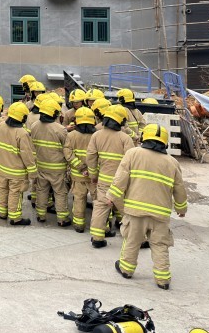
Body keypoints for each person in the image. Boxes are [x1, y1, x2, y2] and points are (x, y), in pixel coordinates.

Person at [108, 123, 188, 290]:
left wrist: (112, 197)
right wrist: (181, 209)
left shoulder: (133, 154)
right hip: (160, 214)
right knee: (160, 245)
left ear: (145, 138)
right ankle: (162, 279)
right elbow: (179, 189)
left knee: (132, 240)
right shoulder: (172, 162)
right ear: (164, 143)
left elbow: (120, 179)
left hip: (136, 211)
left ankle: (126, 269)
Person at [87, 105, 134, 248]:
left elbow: (91, 157)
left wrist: (93, 175)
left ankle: (97, 238)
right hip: (121, 184)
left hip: (103, 180)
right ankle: (141, 239)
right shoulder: (125, 138)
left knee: (100, 208)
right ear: (121, 121)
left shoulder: (96, 135)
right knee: (128, 211)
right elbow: (132, 162)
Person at [30, 96, 73, 226]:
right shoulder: (60, 129)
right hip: (57, 168)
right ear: (55, 113)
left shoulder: (34, 126)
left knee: (42, 190)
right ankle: (62, 219)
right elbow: (67, 148)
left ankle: (41, 215)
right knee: (60, 192)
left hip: (41, 166)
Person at [0, 101, 38, 226]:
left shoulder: (0, 126)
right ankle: (15, 218)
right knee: (15, 193)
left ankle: (2, 213)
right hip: (17, 172)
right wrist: (32, 172)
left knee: (2, 189)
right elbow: (27, 155)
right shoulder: (22, 133)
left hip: (2, 168)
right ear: (22, 117)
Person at [66, 107, 98, 232]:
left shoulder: (72, 135)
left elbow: (68, 153)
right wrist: (91, 170)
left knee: (79, 199)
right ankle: (102, 227)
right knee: (98, 201)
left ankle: (79, 225)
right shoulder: (97, 135)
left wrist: (80, 167)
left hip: (78, 175)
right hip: (94, 176)